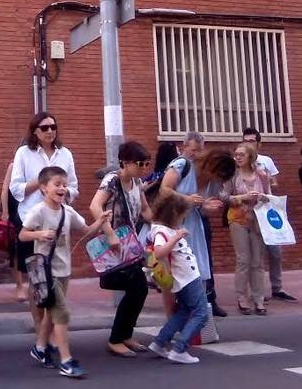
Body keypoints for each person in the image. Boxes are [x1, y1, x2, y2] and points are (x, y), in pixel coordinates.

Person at [20, 166, 111, 378]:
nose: (62, 188)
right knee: (62, 312)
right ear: (44, 188)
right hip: (46, 272)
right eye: (57, 184)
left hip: (64, 270)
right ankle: (66, 360)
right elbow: (23, 235)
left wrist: (101, 221)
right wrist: (40, 234)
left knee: (51, 314)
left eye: (64, 185)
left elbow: (86, 230)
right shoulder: (38, 211)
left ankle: (40, 348)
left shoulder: (67, 212)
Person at [10, 112, 78, 335]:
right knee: (37, 279)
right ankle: (40, 327)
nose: (50, 131)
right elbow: (16, 189)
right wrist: (42, 182)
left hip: (58, 222)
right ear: (35, 131)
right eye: (45, 127)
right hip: (32, 221)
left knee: (58, 276)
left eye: (53, 127)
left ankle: (53, 329)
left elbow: (74, 187)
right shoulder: (24, 153)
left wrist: (60, 191)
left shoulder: (65, 154)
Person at [89, 141, 153, 358]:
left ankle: (125, 335)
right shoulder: (112, 180)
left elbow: (145, 209)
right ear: (125, 162)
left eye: (146, 164)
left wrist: (161, 225)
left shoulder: (137, 182)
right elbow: (95, 206)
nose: (144, 168)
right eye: (140, 164)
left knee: (139, 290)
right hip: (115, 244)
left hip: (130, 245)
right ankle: (116, 339)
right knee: (137, 288)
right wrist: (109, 234)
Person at [161, 135, 236, 317]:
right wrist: (187, 199)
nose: (216, 179)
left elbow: (201, 207)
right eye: (217, 174)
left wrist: (205, 207)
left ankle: (194, 318)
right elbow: (164, 190)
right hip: (172, 225)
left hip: (193, 228)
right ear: (211, 165)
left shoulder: (213, 182)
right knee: (172, 277)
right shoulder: (183, 165)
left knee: (196, 273)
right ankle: (174, 321)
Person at [147, 192, 208, 364]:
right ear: (174, 214)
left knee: (184, 311)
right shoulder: (162, 232)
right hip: (186, 277)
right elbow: (159, 252)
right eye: (182, 216)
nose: (183, 219)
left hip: (184, 276)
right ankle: (179, 349)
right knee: (201, 313)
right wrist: (176, 237)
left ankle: (160, 342)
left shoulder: (163, 230)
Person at [242, 127, 297, 302]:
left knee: (275, 251)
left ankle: (277, 287)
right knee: (253, 254)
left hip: (267, 209)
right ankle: (255, 291)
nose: (248, 144)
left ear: (259, 143)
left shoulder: (266, 160)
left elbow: (275, 182)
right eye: (245, 141)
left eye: (252, 141)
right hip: (249, 211)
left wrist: (265, 179)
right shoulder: (240, 160)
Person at [220, 143, 270, 315]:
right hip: (237, 219)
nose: (238, 157)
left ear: (251, 156)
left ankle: (259, 299)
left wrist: (262, 197)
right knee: (243, 260)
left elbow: (269, 195)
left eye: (242, 154)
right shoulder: (232, 175)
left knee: (258, 261)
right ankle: (242, 297)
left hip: (258, 220)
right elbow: (223, 196)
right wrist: (242, 197)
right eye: (237, 154)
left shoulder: (261, 174)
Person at [0, 141, 33, 302]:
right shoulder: (13, 166)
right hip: (15, 211)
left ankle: (34, 282)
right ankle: (19, 285)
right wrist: (5, 212)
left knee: (33, 249)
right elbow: (5, 189)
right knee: (15, 250)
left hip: (32, 210)